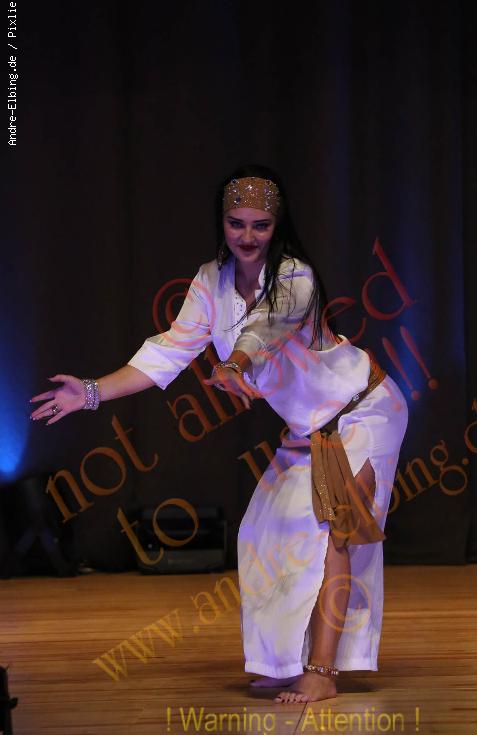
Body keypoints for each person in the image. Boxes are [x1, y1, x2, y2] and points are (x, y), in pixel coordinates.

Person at [29, 163, 409, 704]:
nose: (248, 236)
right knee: (261, 534)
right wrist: (90, 392)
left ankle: (323, 672)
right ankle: (283, 661)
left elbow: (267, 327)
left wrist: (235, 365)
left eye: (260, 225)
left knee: (335, 531)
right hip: (310, 429)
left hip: (363, 412)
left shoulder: (296, 277)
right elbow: (168, 351)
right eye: (237, 223)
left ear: (277, 226)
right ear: (222, 222)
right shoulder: (211, 282)